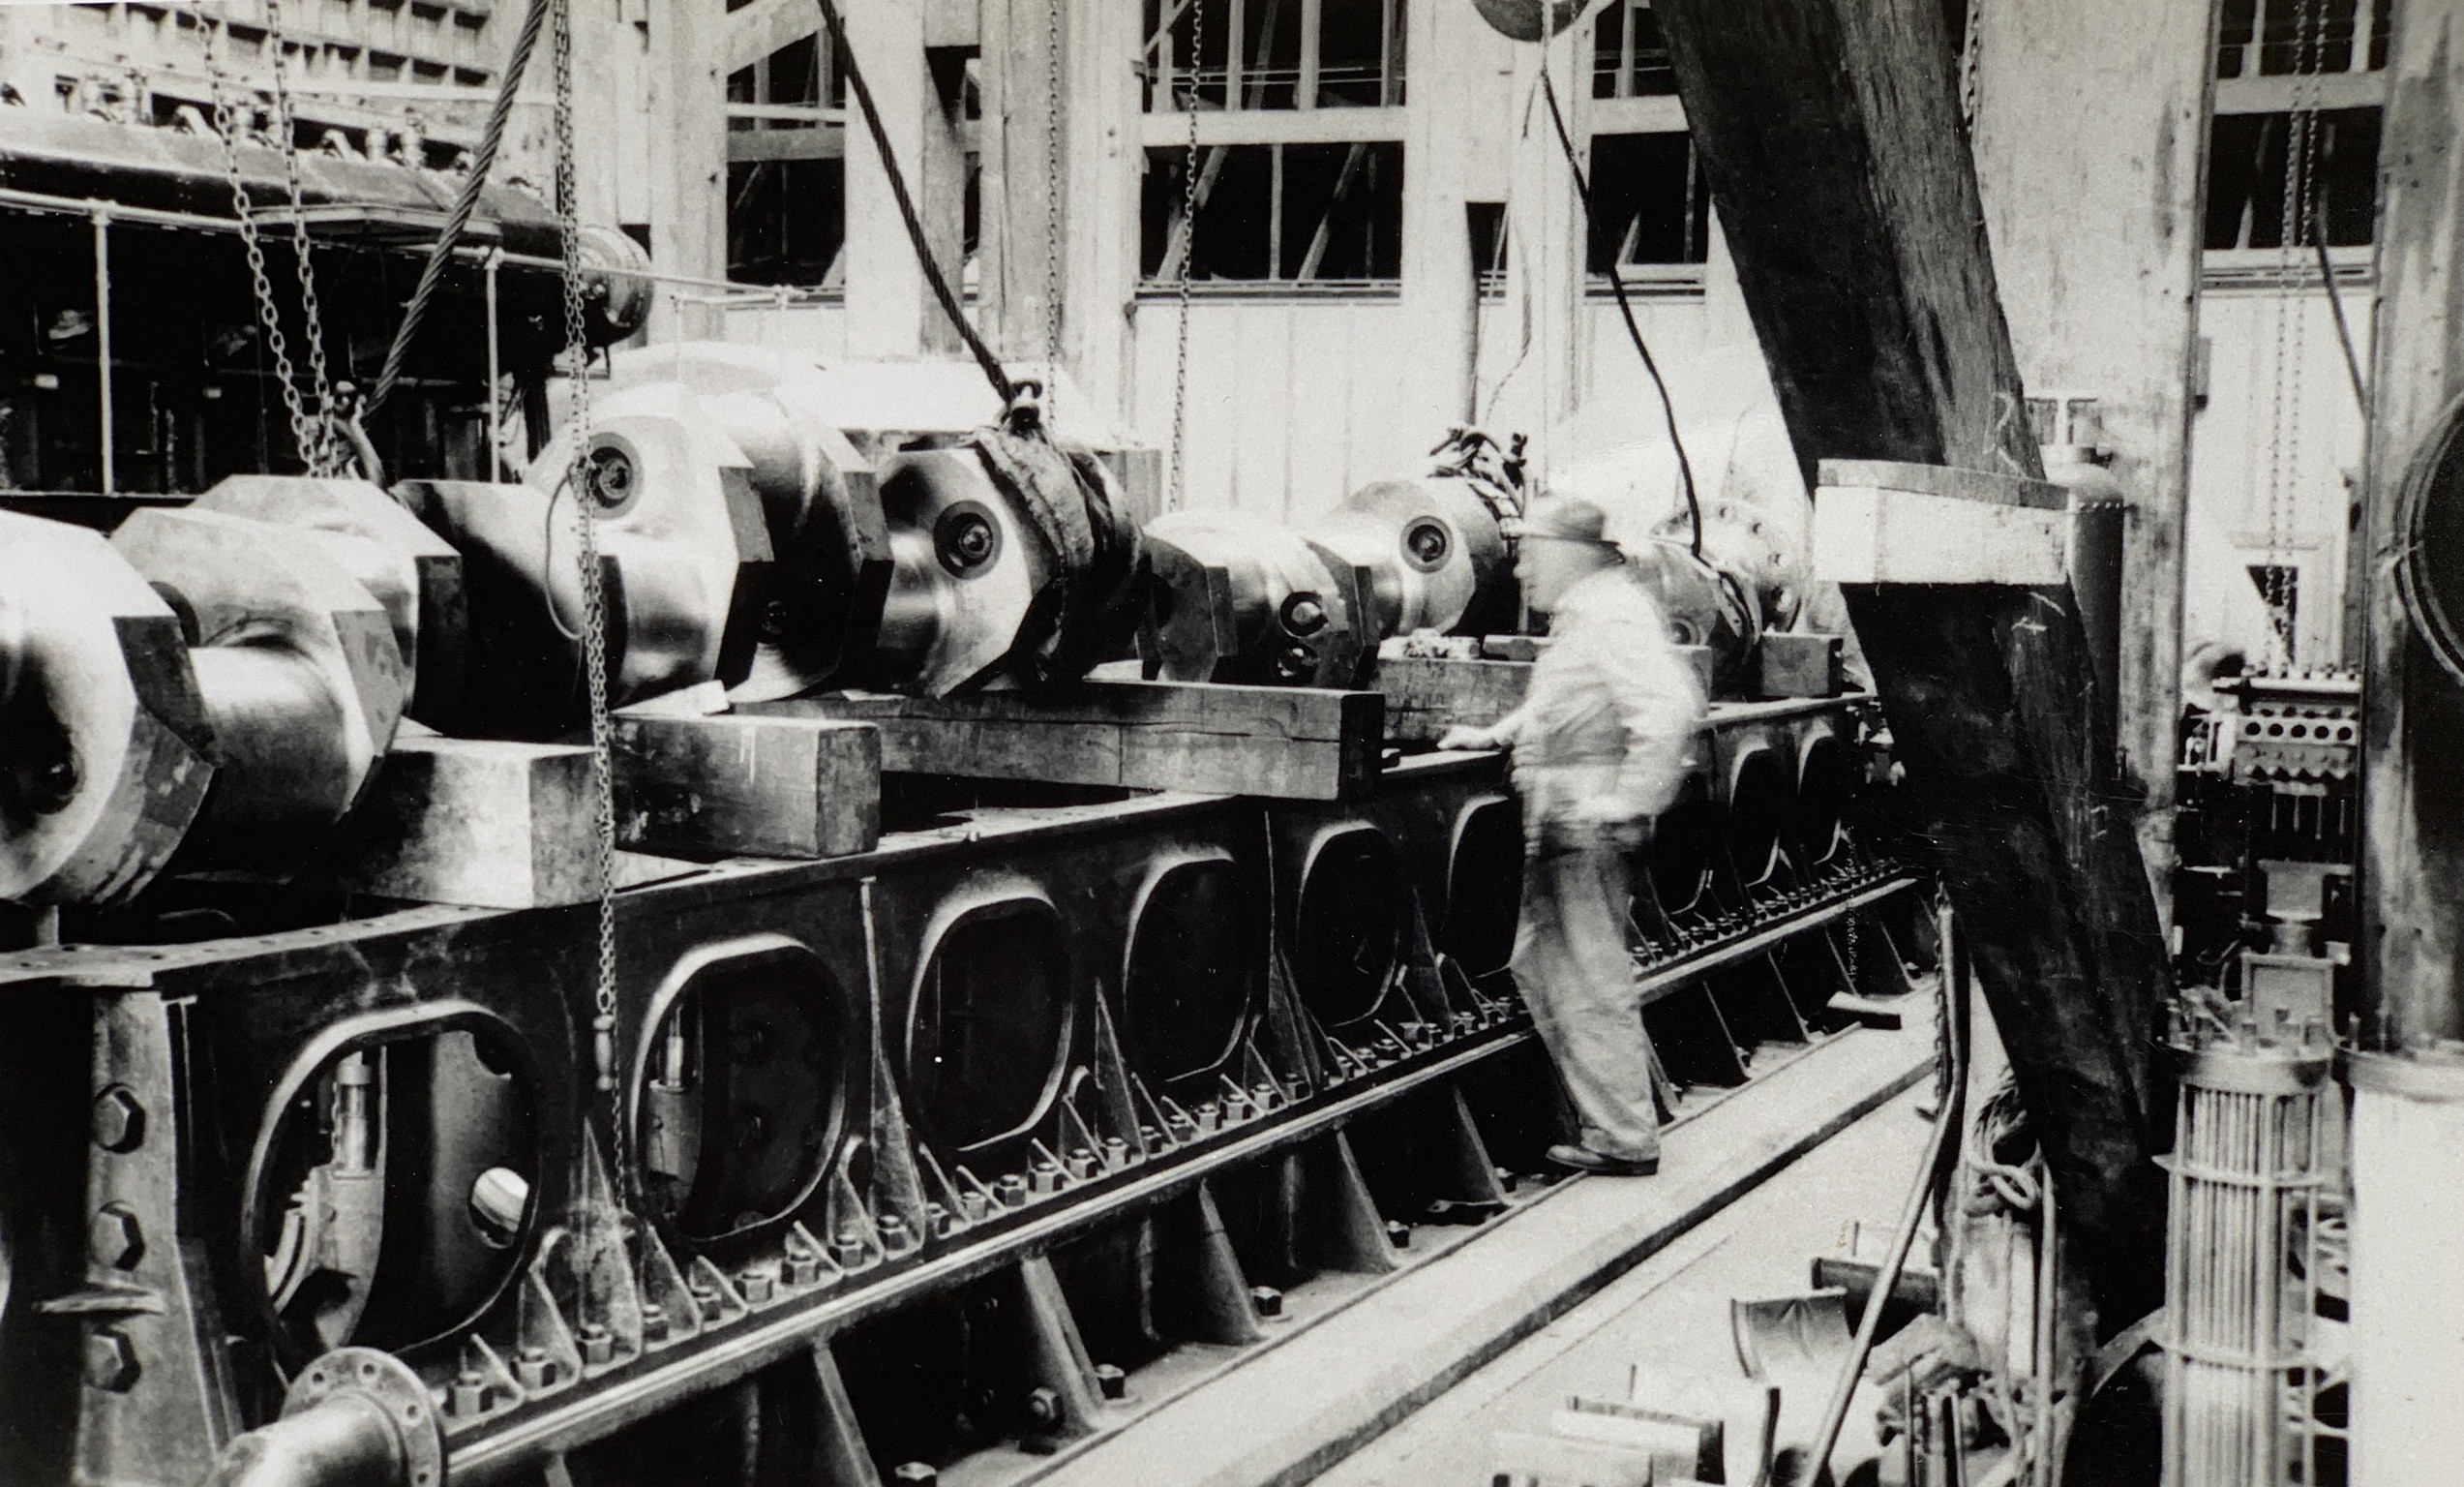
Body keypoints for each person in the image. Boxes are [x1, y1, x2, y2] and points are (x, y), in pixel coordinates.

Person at [1438, 494, 1706, 1175]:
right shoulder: (1591, 613)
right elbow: (1564, 698)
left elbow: (1671, 706)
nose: (1523, 570)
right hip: (1566, 816)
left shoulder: (1612, 613)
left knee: (1589, 979)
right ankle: (1606, 1121)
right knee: (1544, 965)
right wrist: (1498, 733)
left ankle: (1622, 1138)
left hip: (1584, 822)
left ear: (1569, 554)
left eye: (1532, 554)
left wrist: (1627, 802)